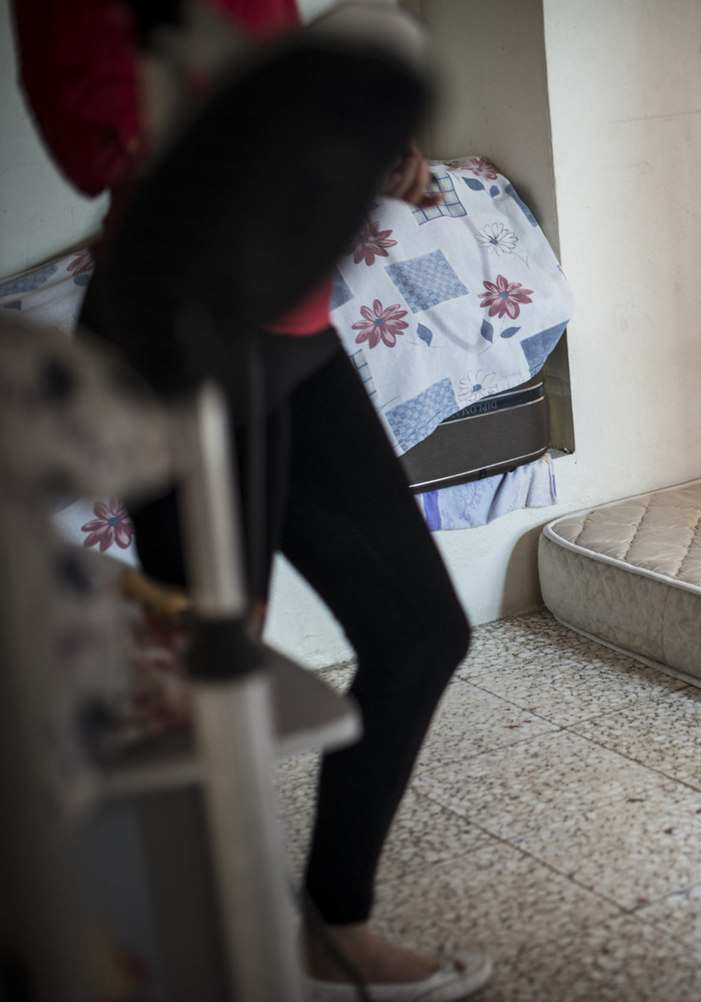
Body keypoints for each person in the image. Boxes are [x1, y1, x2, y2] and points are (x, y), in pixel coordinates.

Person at [12, 0, 492, 997]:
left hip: (299, 336)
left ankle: (334, 927)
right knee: (211, 704)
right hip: (183, 340)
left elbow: (287, 80)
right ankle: (207, 956)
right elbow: (93, 139)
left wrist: (363, 151)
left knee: (420, 634)